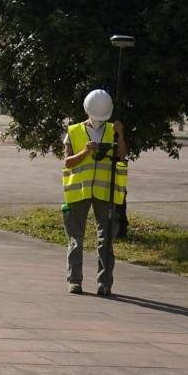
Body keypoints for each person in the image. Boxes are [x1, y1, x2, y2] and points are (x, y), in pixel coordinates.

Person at [62, 89, 128, 296]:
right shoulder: (73, 131)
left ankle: (104, 283)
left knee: (106, 239)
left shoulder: (113, 130)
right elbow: (67, 161)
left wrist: (121, 135)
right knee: (76, 238)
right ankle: (75, 280)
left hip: (105, 191)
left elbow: (122, 157)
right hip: (78, 191)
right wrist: (86, 151)